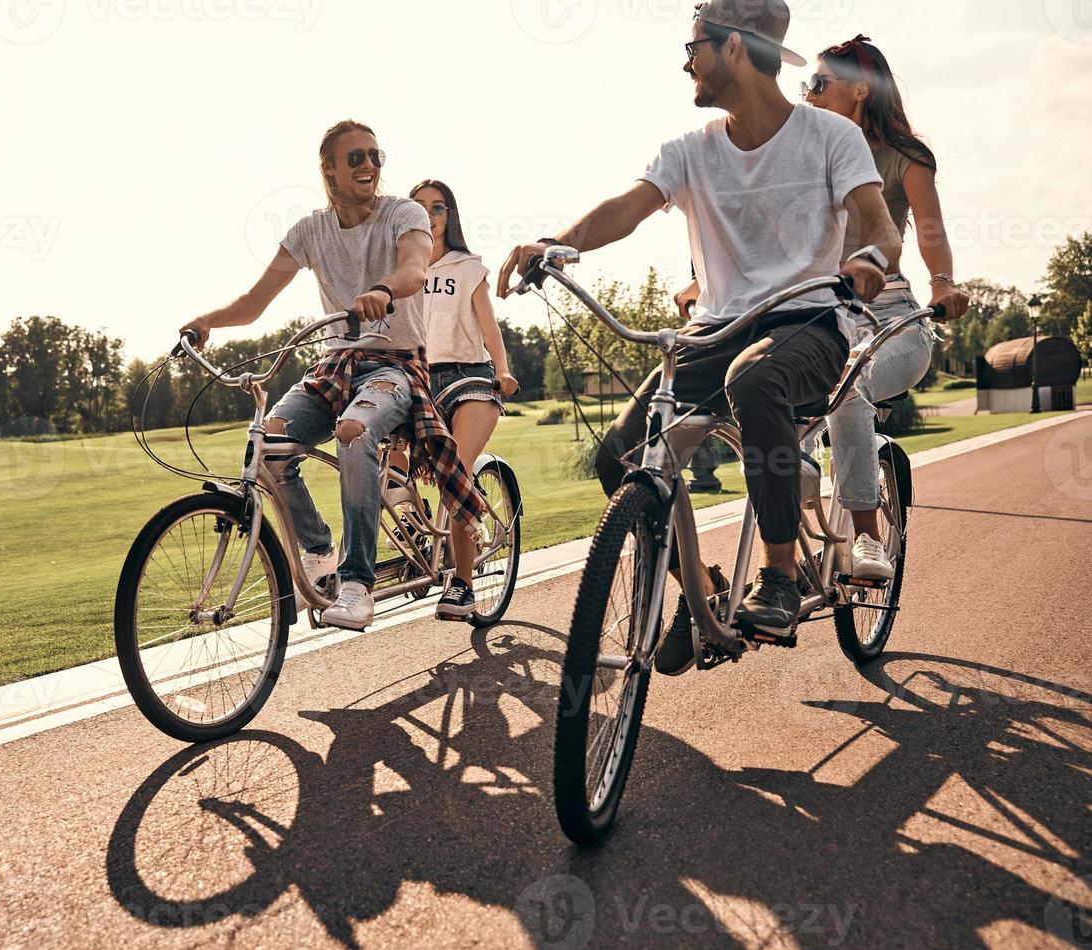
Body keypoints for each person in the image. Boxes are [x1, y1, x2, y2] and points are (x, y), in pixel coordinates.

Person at [498, 0, 903, 667]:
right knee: (619, 457)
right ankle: (703, 589)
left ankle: (775, 577)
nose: (687, 63)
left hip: (806, 325)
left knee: (756, 376)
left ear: (735, 49)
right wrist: (558, 244)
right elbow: (628, 208)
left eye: (694, 49)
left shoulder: (830, 138)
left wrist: (870, 260)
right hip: (713, 334)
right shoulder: (690, 151)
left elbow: (880, 225)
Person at [178, 120, 486, 632]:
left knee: (354, 430)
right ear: (329, 170)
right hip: (333, 367)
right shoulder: (309, 231)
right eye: (356, 159)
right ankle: (318, 551)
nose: (370, 166)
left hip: (394, 365)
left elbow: (415, 268)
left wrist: (385, 290)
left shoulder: (403, 214)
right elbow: (255, 302)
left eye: (375, 156)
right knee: (266, 447)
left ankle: (356, 584)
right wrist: (209, 320)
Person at [804, 35, 969, 578]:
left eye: (819, 83)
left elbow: (929, 230)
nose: (807, 94)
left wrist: (942, 282)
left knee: (847, 385)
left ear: (858, 90)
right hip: (821, 312)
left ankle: (869, 539)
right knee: (770, 403)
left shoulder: (904, 157)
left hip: (893, 318)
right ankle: (791, 545)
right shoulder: (809, 153)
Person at [408, 179, 520, 619]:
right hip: (417, 379)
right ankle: (418, 543)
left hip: (469, 376)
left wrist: (503, 368)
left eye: (439, 207)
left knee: (455, 466)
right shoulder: (402, 272)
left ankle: (463, 584)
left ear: (449, 216)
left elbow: (489, 327)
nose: (430, 215)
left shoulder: (467, 267)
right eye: (420, 208)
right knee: (390, 465)